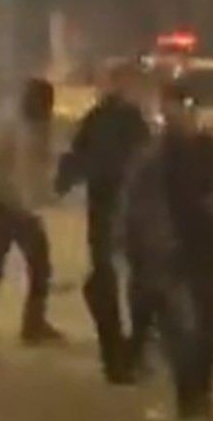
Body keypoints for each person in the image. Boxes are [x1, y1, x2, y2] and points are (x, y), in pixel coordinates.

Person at [120, 80, 213, 421]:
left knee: (204, 331)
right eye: (174, 106)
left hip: (203, 252)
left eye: (186, 106)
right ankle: (189, 404)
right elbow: (135, 206)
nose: (181, 114)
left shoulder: (206, 150)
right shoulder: (152, 158)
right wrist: (141, 248)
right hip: (172, 254)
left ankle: (200, 399)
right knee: (183, 331)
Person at [56, 60, 152, 383]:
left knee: (111, 279)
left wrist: (62, 183)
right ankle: (125, 354)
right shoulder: (127, 121)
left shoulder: (101, 119)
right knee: (126, 281)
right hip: (123, 208)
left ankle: (121, 354)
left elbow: (77, 157)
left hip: (112, 207)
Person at [0, 77, 63, 346]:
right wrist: (5, 195)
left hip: (23, 207)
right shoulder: (7, 124)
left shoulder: (39, 127)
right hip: (1, 204)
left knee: (38, 264)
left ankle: (32, 324)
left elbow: (38, 168)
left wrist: (42, 196)